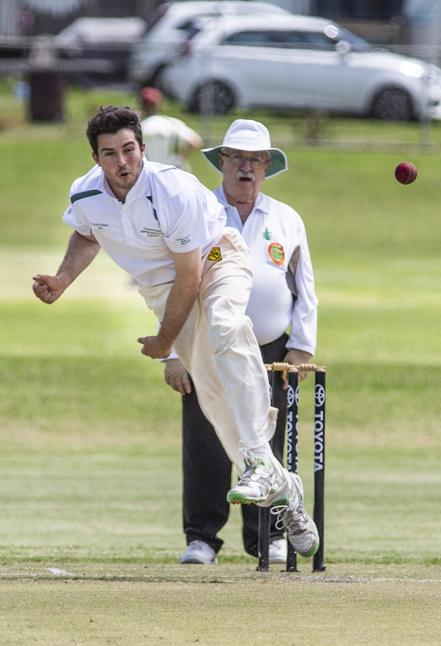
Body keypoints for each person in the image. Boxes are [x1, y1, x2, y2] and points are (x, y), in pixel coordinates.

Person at [32, 105, 319, 561]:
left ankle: (262, 463)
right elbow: (88, 235)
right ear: (96, 158)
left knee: (227, 324)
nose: (122, 162)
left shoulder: (171, 189)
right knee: (212, 397)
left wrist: (166, 342)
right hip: (162, 287)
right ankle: (283, 486)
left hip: (215, 259)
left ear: (142, 149)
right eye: (110, 154)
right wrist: (63, 280)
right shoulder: (85, 194)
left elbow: (191, 277)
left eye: (129, 150)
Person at [165, 119, 318, 565]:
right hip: (204, 344)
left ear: (267, 167)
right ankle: (202, 537)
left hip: (271, 349)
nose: (246, 168)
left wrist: (301, 347)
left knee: (264, 439)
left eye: (255, 160)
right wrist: (173, 354)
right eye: (237, 159)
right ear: (222, 163)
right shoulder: (200, 211)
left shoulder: (286, 218)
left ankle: (266, 537)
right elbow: (174, 283)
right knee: (205, 438)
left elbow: (304, 287)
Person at [138, 87, 202, 170]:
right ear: (159, 104)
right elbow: (195, 141)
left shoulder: (137, 126)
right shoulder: (171, 122)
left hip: (148, 171)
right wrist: (180, 159)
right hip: (171, 171)